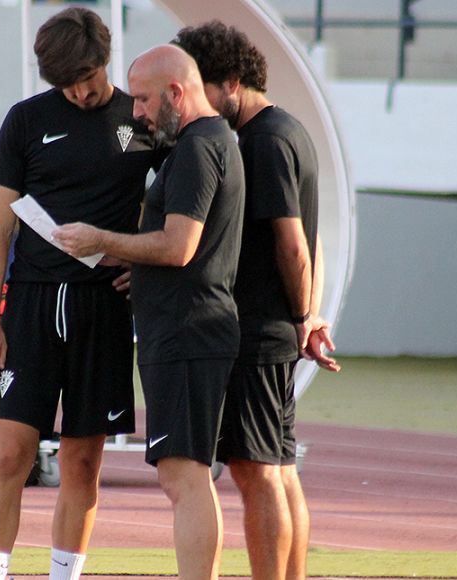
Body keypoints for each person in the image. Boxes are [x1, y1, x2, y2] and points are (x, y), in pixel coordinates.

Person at [0, 8, 164, 580]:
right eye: (66, 83)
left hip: (101, 308)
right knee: (10, 454)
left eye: (88, 77)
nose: (79, 92)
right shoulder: (26, 121)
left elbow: (180, 210)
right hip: (30, 305)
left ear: (105, 59)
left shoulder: (138, 120)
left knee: (83, 461)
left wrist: (140, 260)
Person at [55, 44, 245, 580]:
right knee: (182, 476)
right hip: (187, 329)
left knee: (184, 477)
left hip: (188, 332)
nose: (134, 111)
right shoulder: (204, 141)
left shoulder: (195, 148)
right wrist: (128, 256)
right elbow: (173, 244)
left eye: (142, 100)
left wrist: (100, 239)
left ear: (176, 94)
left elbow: (179, 246)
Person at [174, 21, 341, 580]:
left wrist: (300, 318)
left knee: (256, 471)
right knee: (278, 469)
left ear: (231, 81)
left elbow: (294, 241)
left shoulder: (264, 140)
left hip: (260, 329)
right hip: (276, 326)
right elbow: (312, 241)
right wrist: (310, 316)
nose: (195, 100)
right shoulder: (287, 130)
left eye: (201, 86)